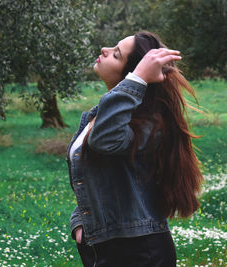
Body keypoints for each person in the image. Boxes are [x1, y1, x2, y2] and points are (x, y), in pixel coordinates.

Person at [67, 31, 204, 267]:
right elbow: (93, 175)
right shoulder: (100, 115)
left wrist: (138, 76)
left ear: (133, 74)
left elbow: (104, 141)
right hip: (101, 247)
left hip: (140, 253)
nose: (104, 50)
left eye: (116, 55)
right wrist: (80, 222)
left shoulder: (148, 123)